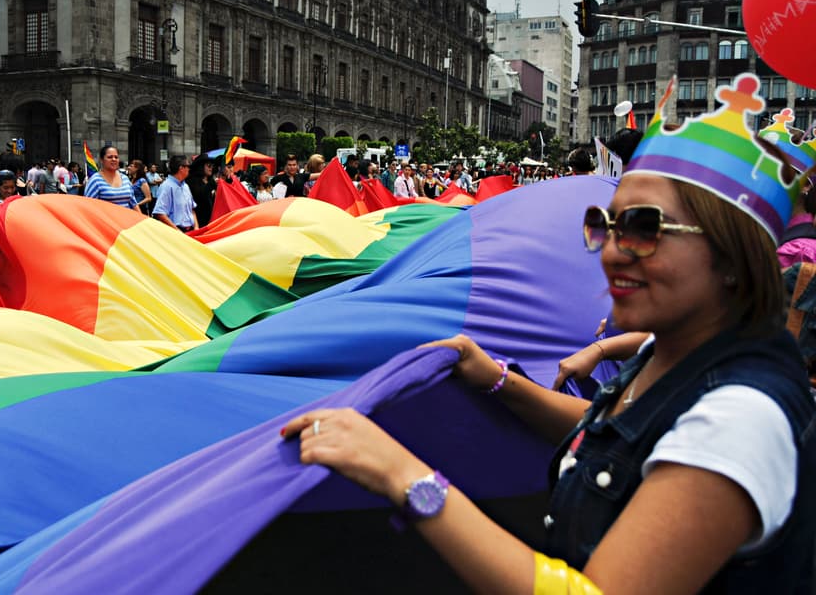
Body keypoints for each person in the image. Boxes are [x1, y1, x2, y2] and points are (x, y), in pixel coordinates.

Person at [283, 73, 816, 593]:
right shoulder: (679, 349)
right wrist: (497, 381)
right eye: (604, 226)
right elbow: (612, 428)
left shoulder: (739, 420)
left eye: (644, 228)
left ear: (733, 260)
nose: (611, 251)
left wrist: (403, 476)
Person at [84, 145, 137, 209]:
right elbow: (88, 207)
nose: (114, 159)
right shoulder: (95, 180)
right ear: (102, 160)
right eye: (110, 157)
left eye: (116, 157)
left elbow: (134, 204)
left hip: (126, 218)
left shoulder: (125, 178)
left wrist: (142, 218)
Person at [152, 155, 196, 231]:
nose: (189, 169)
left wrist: (196, 227)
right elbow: (160, 213)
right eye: (188, 166)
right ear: (181, 168)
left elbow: (192, 209)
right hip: (176, 231)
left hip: (190, 231)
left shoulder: (186, 186)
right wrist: (177, 231)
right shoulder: (166, 186)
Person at [187, 155, 217, 226]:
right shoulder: (192, 180)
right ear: (201, 166)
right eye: (209, 165)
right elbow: (200, 196)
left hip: (211, 220)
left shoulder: (211, 181)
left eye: (212, 166)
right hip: (198, 222)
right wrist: (211, 185)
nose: (211, 168)